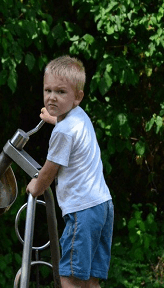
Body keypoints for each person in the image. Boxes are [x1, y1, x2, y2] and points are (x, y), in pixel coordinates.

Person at [26, 55, 114, 288]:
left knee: (69, 278)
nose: (52, 97)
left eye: (61, 92)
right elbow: (69, 128)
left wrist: (36, 187)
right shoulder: (79, 118)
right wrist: (53, 118)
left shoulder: (63, 132)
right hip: (102, 206)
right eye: (48, 90)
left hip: (82, 210)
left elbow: (49, 170)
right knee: (89, 280)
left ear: (77, 97)